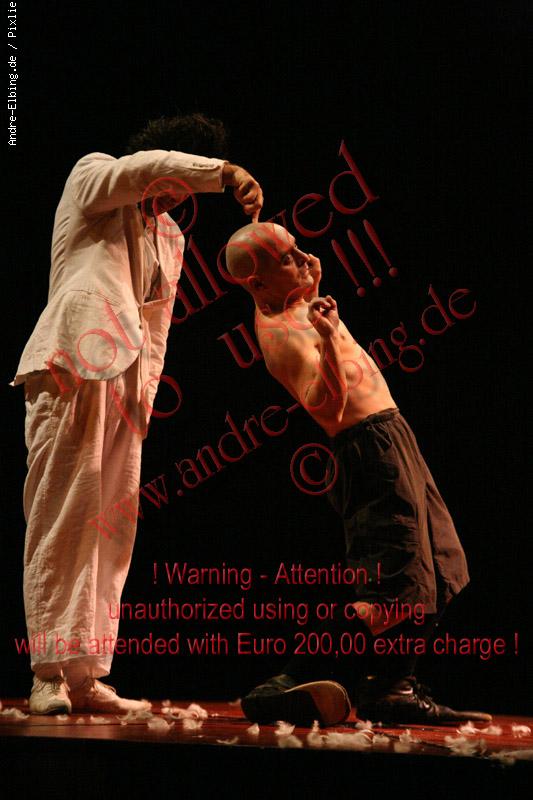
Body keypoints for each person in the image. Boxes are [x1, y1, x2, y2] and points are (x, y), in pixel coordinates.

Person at [12, 113, 263, 715]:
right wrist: (222, 172)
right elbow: (141, 172)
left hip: (125, 382)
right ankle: (48, 672)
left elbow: (155, 321)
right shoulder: (94, 176)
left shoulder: (169, 234)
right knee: (62, 513)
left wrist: (143, 394)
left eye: (184, 191)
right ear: (165, 160)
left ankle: (86, 674)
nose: (175, 196)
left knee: (110, 529)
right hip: (72, 360)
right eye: (176, 179)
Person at [225, 222, 491, 726]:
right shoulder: (280, 335)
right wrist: (327, 338)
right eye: (288, 257)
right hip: (367, 450)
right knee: (393, 593)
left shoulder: (292, 301)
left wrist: (311, 287)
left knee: (443, 567)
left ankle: (393, 688)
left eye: (298, 247)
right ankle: (282, 683)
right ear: (257, 284)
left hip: (392, 433)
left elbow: (306, 305)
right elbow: (327, 405)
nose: (304, 257)